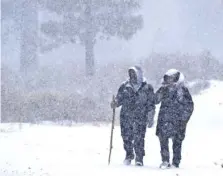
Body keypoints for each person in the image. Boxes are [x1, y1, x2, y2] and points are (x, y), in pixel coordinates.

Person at [111, 66, 155, 166]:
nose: (132, 76)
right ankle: (129, 155)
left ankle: (139, 158)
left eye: (134, 74)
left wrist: (150, 116)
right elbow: (119, 99)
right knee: (126, 136)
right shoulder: (125, 86)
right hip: (126, 116)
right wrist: (115, 103)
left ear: (139, 74)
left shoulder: (147, 87)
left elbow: (151, 103)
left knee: (139, 137)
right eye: (130, 74)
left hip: (140, 116)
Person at [155, 69, 194, 169]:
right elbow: (155, 100)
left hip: (178, 121)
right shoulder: (163, 89)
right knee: (163, 141)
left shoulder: (183, 90)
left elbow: (189, 106)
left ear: (176, 78)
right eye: (168, 78)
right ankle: (165, 160)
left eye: (171, 78)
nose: (169, 80)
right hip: (164, 119)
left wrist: (183, 119)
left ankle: (175, 162)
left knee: (177, 142)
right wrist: (159, 92)